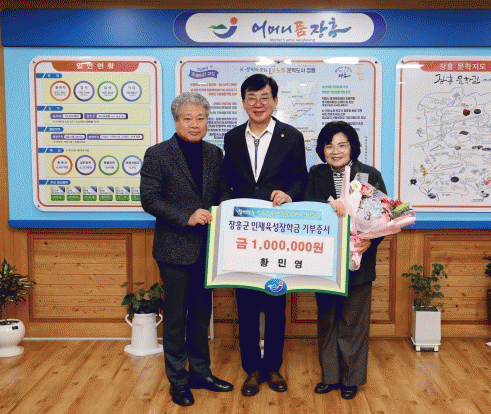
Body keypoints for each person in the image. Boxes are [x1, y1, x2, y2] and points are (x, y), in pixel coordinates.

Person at [140, 92, 233, 407]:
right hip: (174, 250)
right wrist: (187, 216)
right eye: (188, 118)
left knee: (201, 316)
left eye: (201, 118)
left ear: (207, 121)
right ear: (176, 120)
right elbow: (150, 199)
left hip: (207, 249)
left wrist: (228, 210)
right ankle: (178, 380)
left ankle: (201, 373)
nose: (195, 124)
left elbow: (221, 192)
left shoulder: (214, 153)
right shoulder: (158, 154)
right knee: (176, 318)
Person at [223, 74, 308, 396]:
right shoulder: (232, 138)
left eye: (264, 97)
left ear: (275, 101)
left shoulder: (291, 136)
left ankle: (272, 367)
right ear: (243, 101)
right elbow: (226, 182)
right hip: (243, 236)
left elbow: (300, 179)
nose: (258, 104)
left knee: (275, 303)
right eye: (251, 98)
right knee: (245, 304)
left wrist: (289, 194)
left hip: (277, 237)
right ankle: (251, 370)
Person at [304, 121, 386, 400]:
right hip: (324, 261)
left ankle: (351, 378)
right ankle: (330, 377)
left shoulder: (369, 175)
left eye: (342, 145)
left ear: (352, 147)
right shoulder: (315, 174)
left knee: (354, 322)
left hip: (360, 261)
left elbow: (383, 216)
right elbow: (307, 208)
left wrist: (370, 241)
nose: (335, 151)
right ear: (322, 150)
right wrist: (326, 208)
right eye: (329, 146)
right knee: (327, 319)